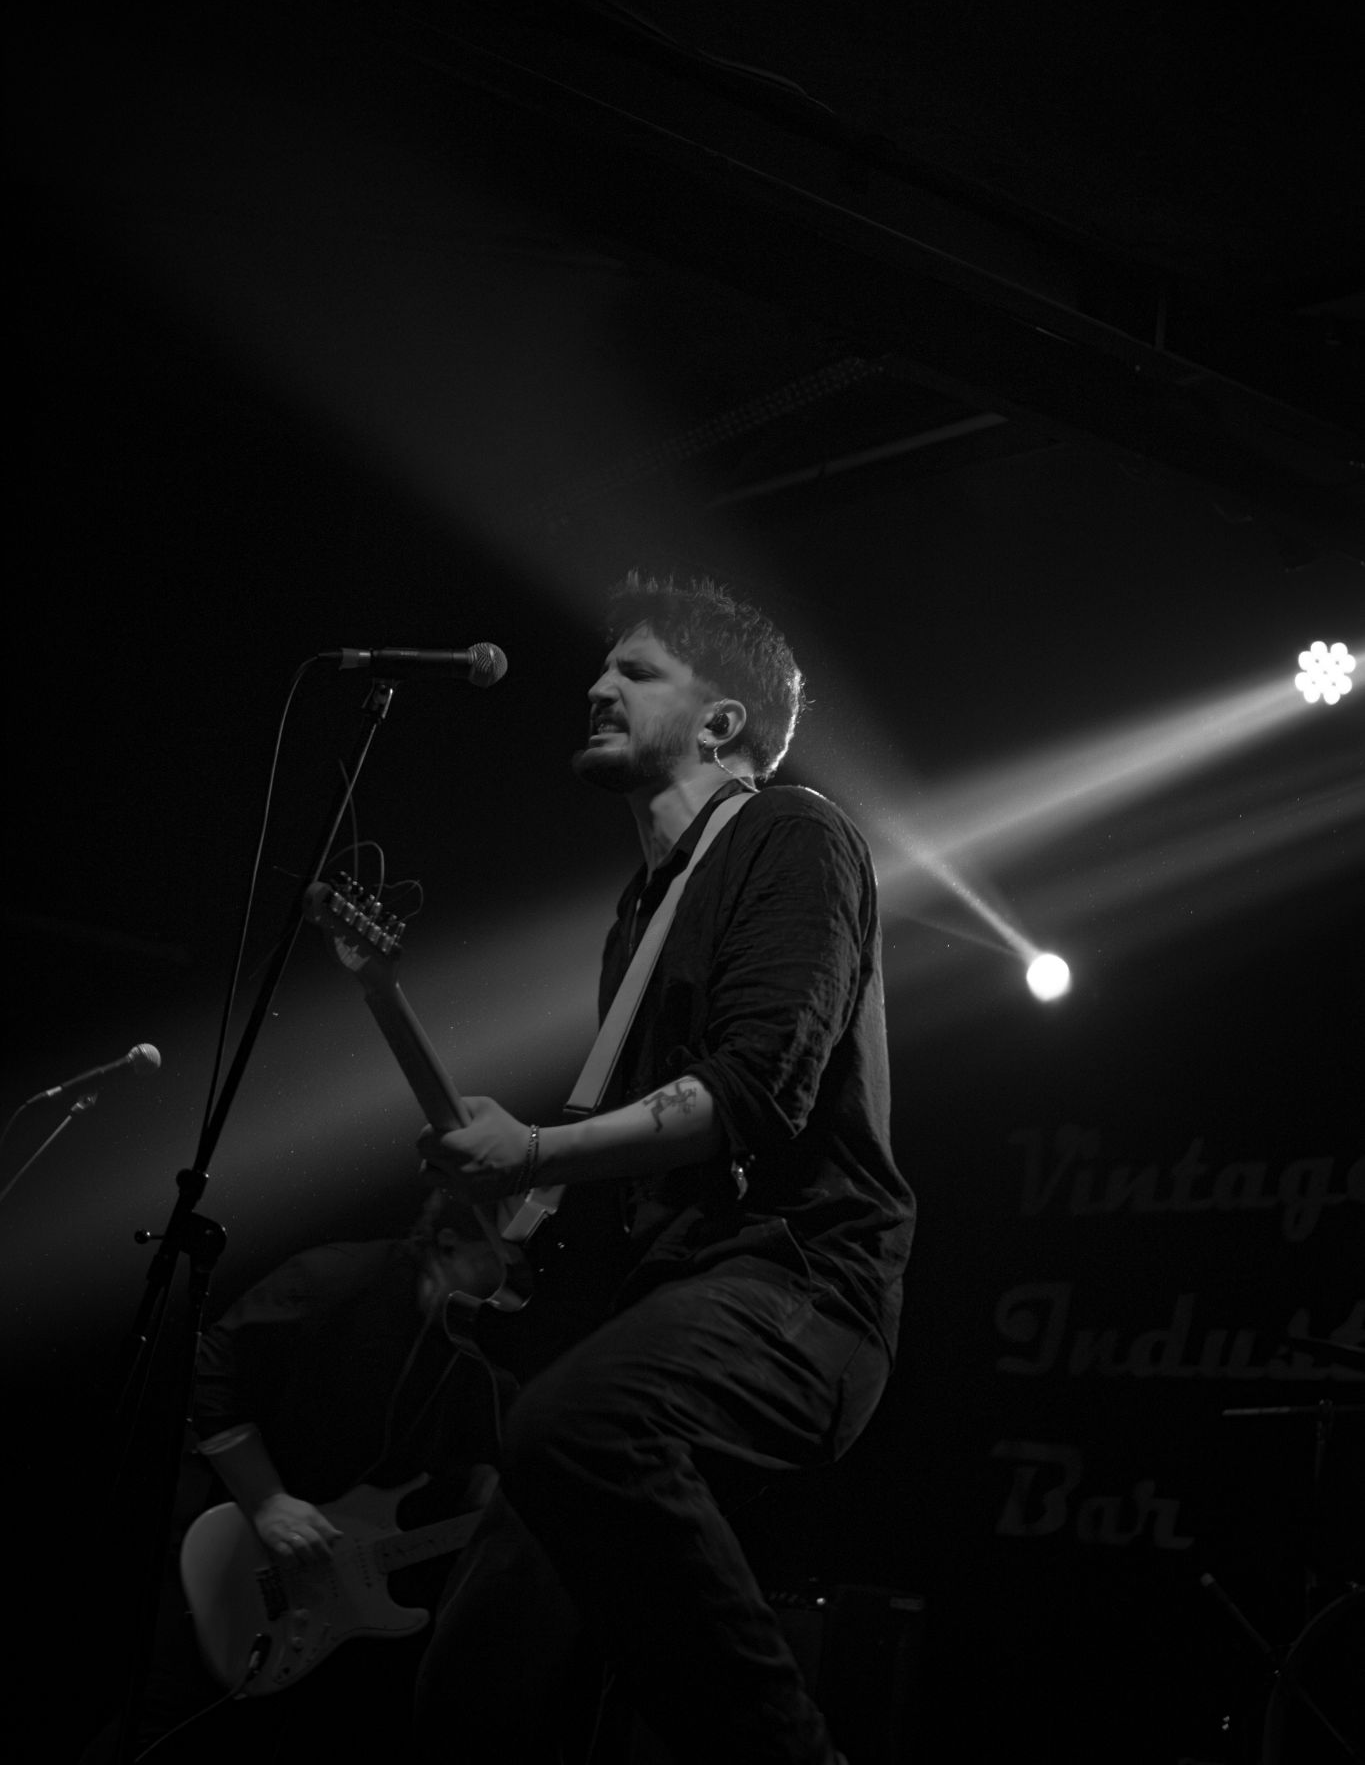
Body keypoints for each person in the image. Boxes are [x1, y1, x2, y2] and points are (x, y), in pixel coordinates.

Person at [412, 572, 915, 1765]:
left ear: (723, 720)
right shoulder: (639, 911)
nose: (597, 686)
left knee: (579, 1427)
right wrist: (521, 1221)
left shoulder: (794, 834)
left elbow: (754, 1094)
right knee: (474, 1681)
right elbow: (643, 1170)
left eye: (636, 672)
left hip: (798, 1289)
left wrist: (536, 1147)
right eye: (604, 666)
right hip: (663, 1294)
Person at [79, 1190, 507, 1764]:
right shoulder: (335, 1277)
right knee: (166, 1721)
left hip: (326, 1579)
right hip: (232, 1536)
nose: (515, 1279)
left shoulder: (468, 1340)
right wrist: (267, 1500)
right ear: (450, 1243)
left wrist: (482, 1485)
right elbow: (210, 1374)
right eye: (503, 1259)